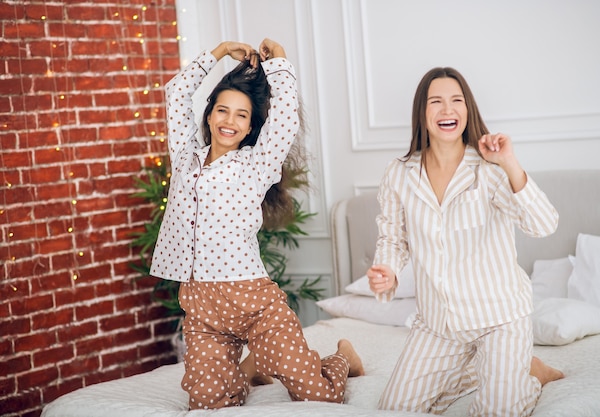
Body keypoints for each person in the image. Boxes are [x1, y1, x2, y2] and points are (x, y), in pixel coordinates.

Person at [150, 39, 364, 410]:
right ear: (209, 115)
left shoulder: (257, 165)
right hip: (200, 305)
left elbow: (284, 120)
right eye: (222, 110)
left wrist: (278, 63)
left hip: (254, 302)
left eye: (240, 115)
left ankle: (343, 358)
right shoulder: (186, 157)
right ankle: (250, 368)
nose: (228, 121)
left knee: (319, 395)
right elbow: (176, 93)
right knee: (208, 404)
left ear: (250, 126)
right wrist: (217, 53)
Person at [366, 67, 564, 416]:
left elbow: (544, 223)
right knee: (394, 410)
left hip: (500, 318)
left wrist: (509, 162)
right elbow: (393, 239)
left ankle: (526, 378)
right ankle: (481, 371)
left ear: (467, 110)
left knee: (493, 411)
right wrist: (389, 270)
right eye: (436, 102)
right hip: (438, 325)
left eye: (457, 101)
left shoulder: (488, 169)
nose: (447, 110)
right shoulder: (400, 173)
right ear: (422, 113)